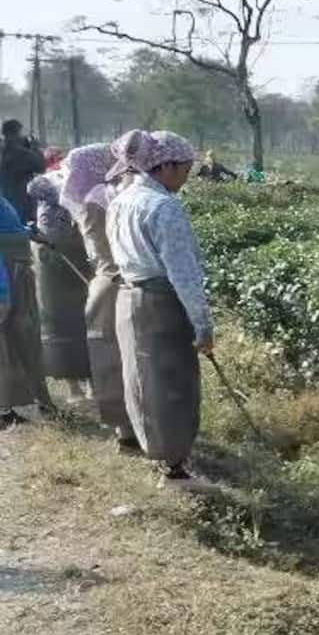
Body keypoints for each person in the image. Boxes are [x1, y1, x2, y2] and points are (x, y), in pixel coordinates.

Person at [105, 130, 210, 482]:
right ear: (164, 165)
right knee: (172, 382)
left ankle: (156, 450)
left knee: (141, 378)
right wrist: (203, 325)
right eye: (185, 169)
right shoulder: (164, 207)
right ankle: (174, 465)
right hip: (161, 303)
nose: (186, 177)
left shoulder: (120, 199)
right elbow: (183, 273)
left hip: (128, 298)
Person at [60, 142, 138, 451]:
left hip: (104, 286)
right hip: (124, 284)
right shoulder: (107, 197)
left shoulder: (89, 201)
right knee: (131, 360)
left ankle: (125, 431)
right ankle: (141, 429)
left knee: (110, 361)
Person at [24, 171, 89, 389]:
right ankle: (76, 385)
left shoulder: (55, 209)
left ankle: (83, 383)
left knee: (77, 325)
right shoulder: (54, 210)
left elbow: (57, 239)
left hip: (65, 275)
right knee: (67, 327)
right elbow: (57, 240)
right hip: (58, 278)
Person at [0, 193, 48, 427]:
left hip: (14, 271)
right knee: (17, 336)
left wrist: (26, 232)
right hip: (9, 274)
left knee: (20, 337)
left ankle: (16, 404)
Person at [1, 120, 43, 224]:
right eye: (19, 133)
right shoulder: (21, 154)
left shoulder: (5, 150)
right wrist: (35, 148)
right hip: (19, 199)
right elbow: (41, 167)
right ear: (13, 134)